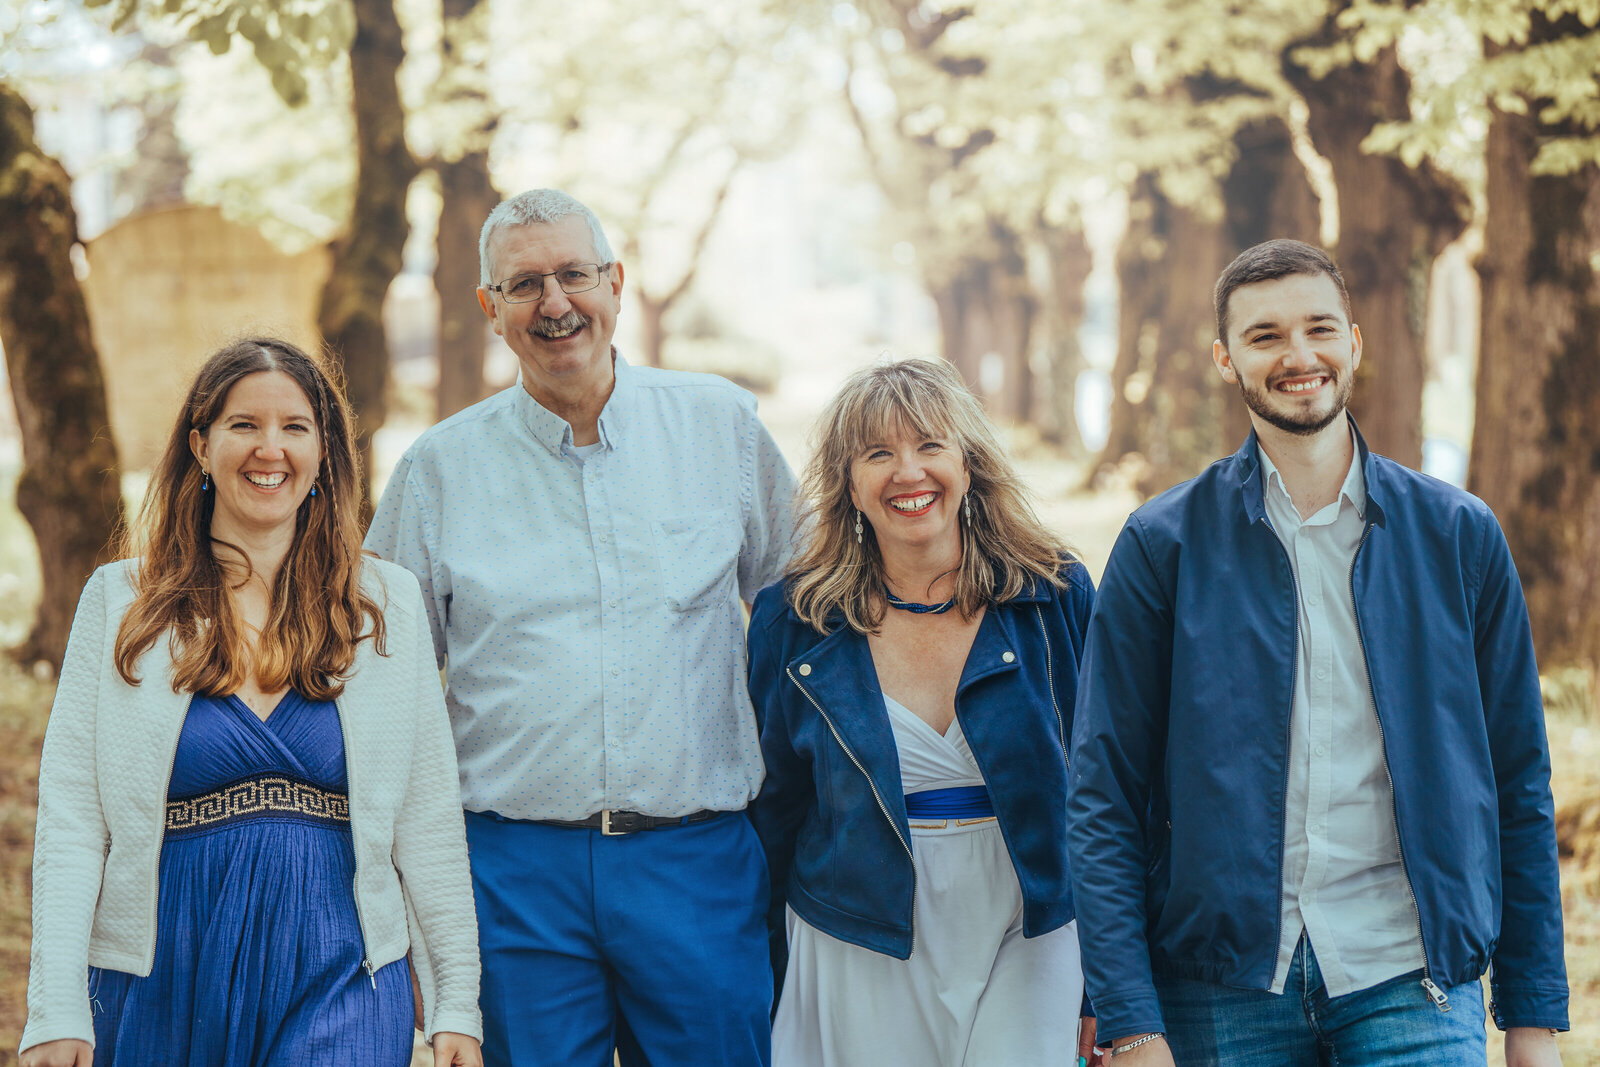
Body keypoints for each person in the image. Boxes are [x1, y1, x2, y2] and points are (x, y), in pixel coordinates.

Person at [1067, 239, 1569, 1066]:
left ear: (1355, 342)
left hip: (1411, 974)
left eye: (1318, 329)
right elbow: (1102, 794)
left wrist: (1533, 1016)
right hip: (1220, 987)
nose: (1298, 356)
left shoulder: (1458, 535)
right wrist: (1131, 1019)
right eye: (1265, 337)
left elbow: (1517, 779)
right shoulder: (1163, 545)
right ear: (1227, 359)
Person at [364, 188, 799, 1067]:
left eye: (573, 275)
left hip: (696, 861)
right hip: (513, 872)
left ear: (615, 283)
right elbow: (382, 688)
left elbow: (808, 613)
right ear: (489, 309)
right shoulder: (437, 471)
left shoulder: (722, 427)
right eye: (525, 284)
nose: (555, 304)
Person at [20, 338, 482, 1067]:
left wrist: (456, 997)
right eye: (244, 425)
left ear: (325, 450)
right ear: (201, 444)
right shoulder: (120, 601)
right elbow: (75, 819)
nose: (271, 448)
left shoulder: (383, 603)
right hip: (165, 970)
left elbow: (427, 819)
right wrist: (53, 1005)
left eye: (296, 426)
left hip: (346, 969)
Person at [747, 358, 1097, 1066]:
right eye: (879, 453)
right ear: (850, 485)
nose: (909, 471)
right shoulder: (796, 618)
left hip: (1032, 919)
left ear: (968, 465)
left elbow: (1113, 790)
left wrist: (1114, 988)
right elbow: (774, 809)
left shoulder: (1053, 595)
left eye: (930, 445)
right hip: (857, 928)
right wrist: (763, 969)